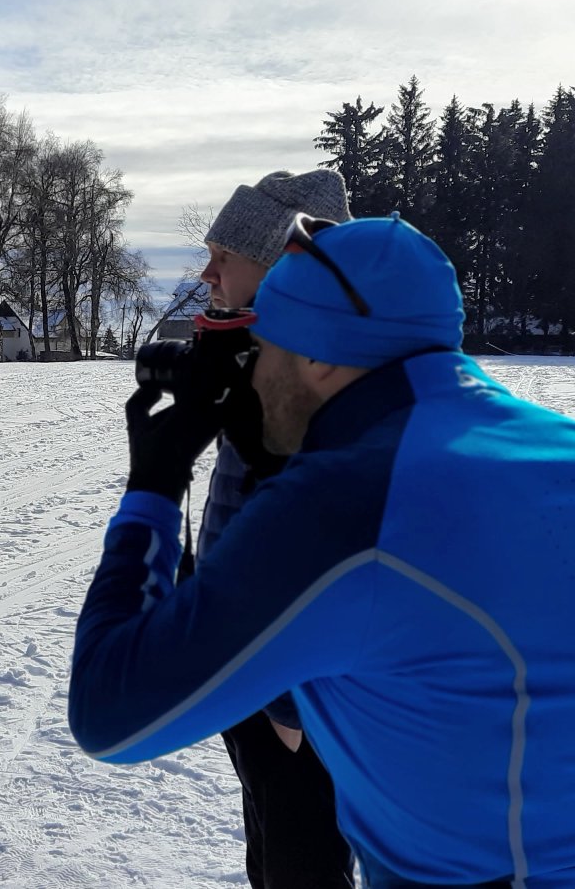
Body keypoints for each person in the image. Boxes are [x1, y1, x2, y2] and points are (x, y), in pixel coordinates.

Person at [70, 215, 575, 886]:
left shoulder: (342, 504)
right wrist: (285, 458)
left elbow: (112, 715)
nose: (255, 369)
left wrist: (153, 489)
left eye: (265, 343)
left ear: (321, 357)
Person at [193, 169, 355, 888]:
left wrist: (289, 696)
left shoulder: (321, 367)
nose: (206, 273)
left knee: (304, 853)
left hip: (294, 682)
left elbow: (326, 538)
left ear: (280, 259)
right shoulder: (277, 351)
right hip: (250, 664)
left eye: (223, 255)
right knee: (271, 838)